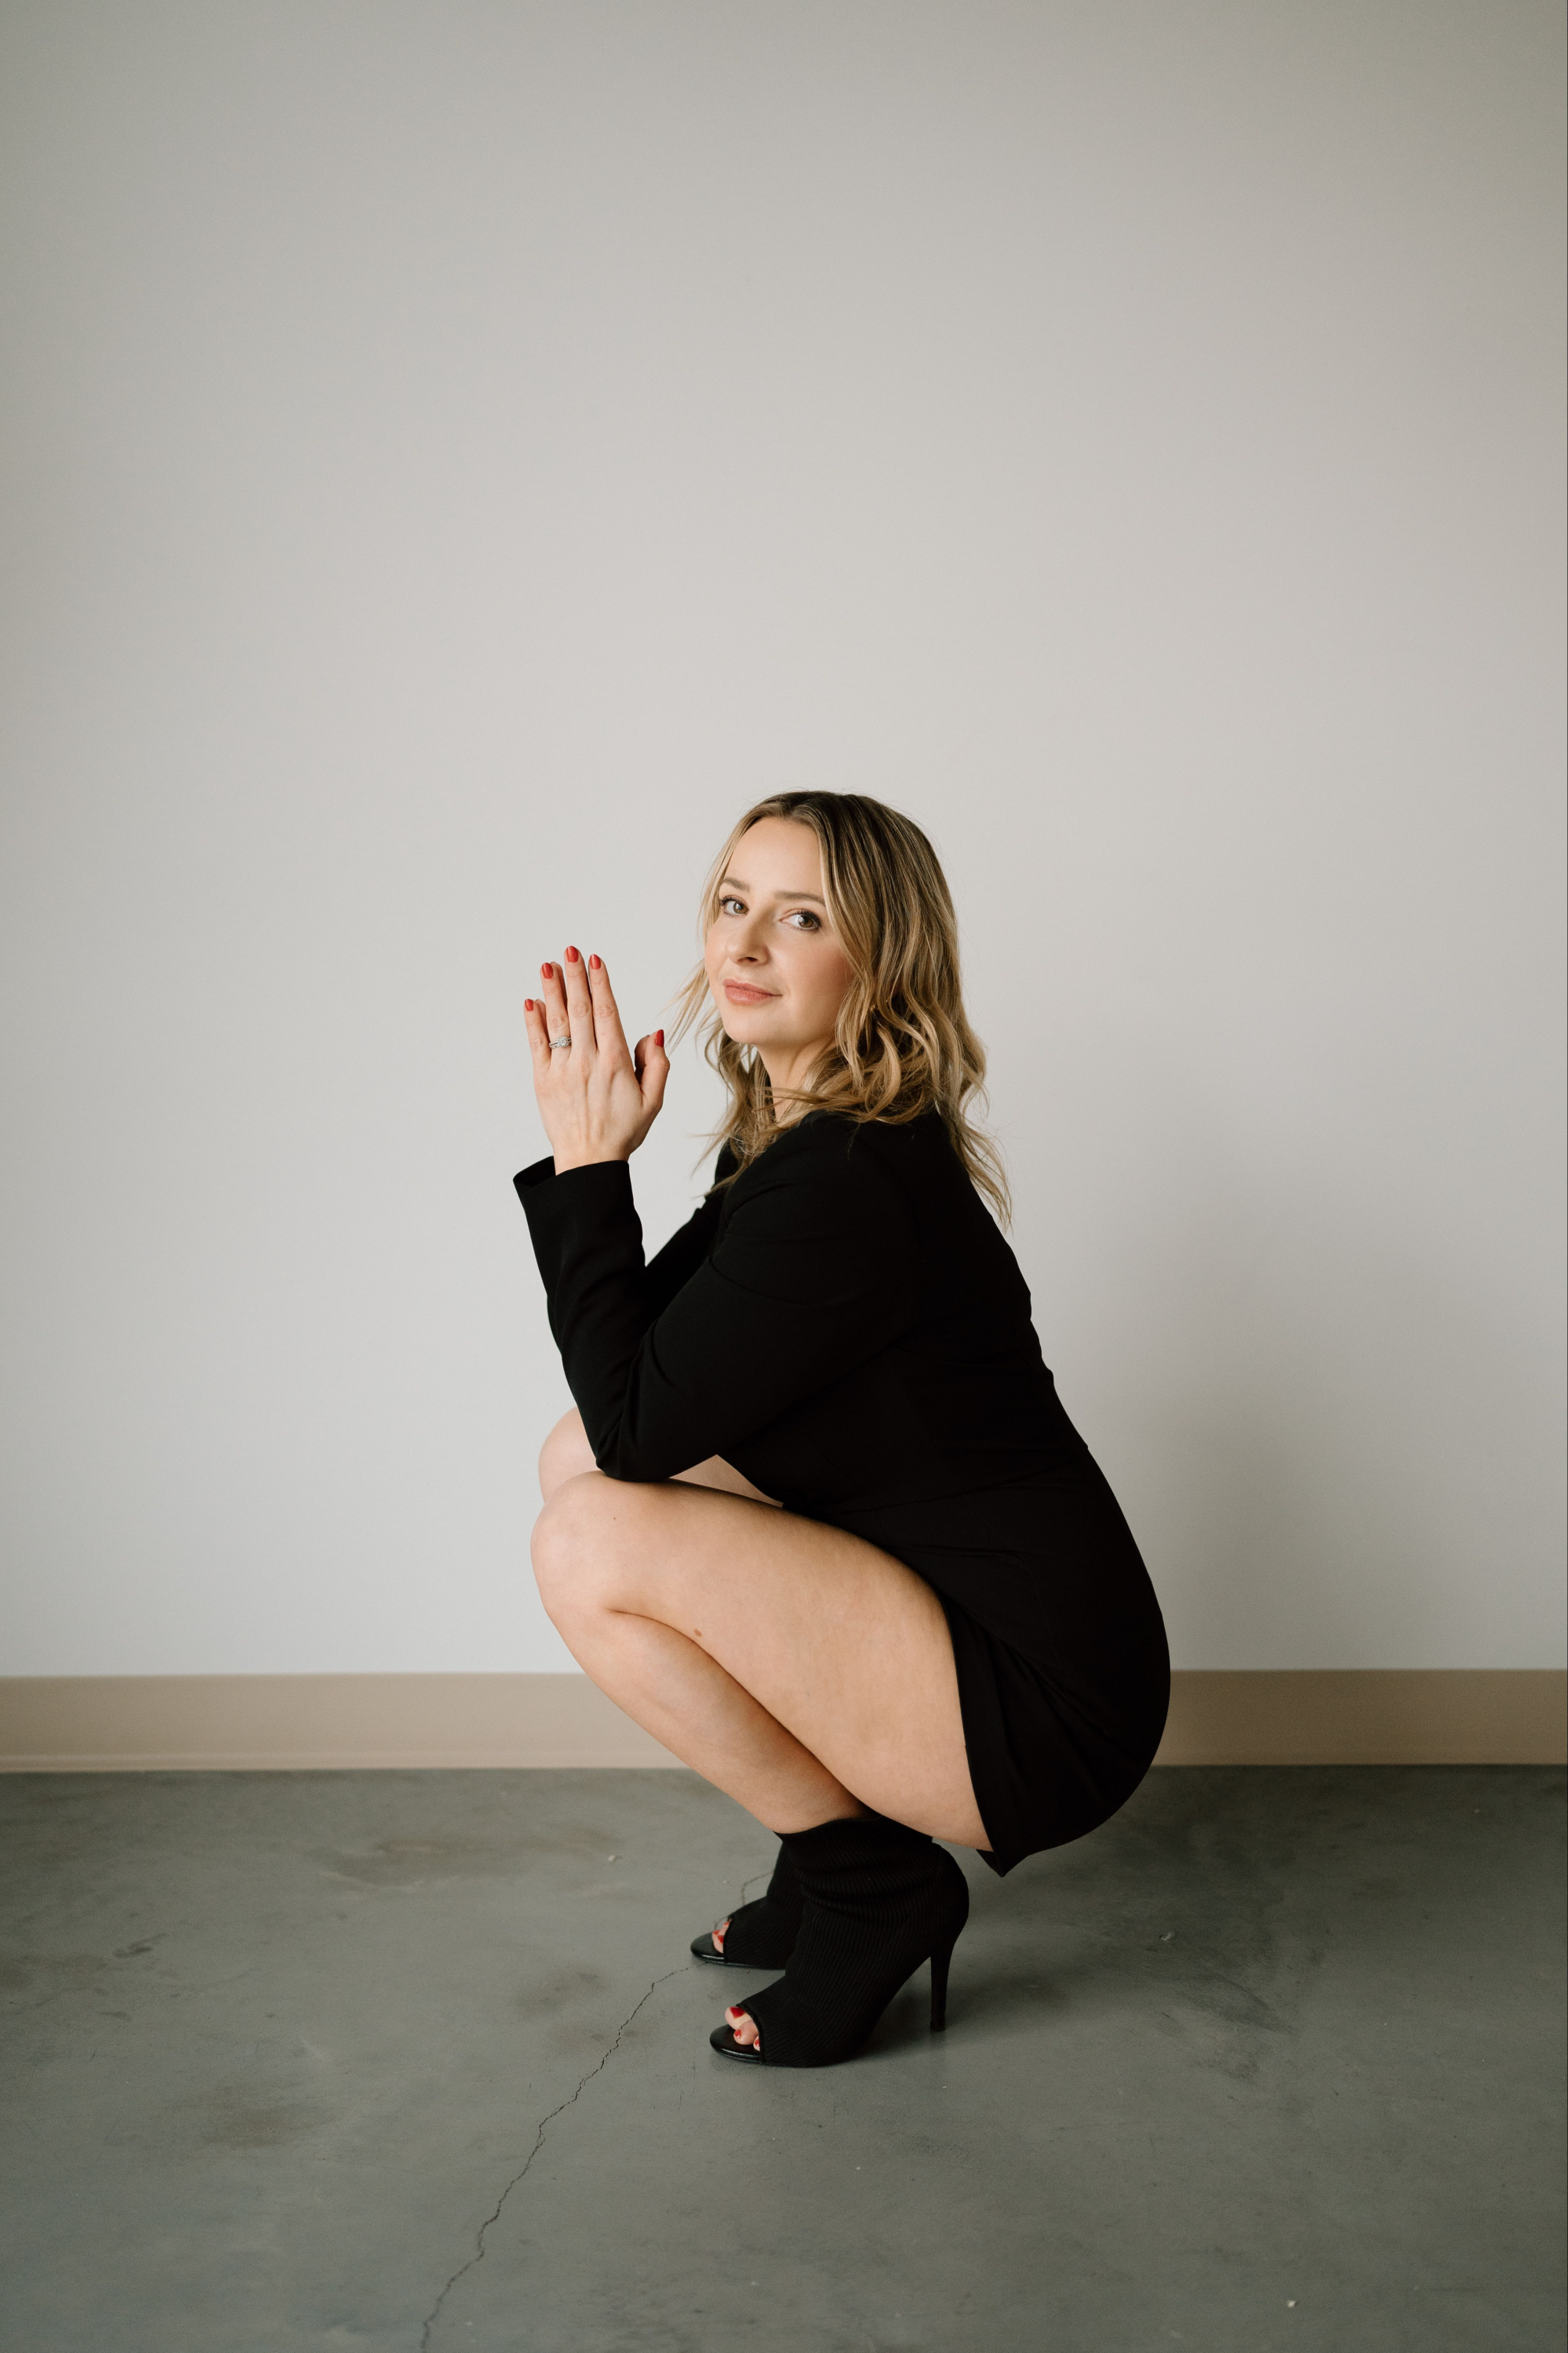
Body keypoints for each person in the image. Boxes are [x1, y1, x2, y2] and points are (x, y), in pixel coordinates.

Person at [515, 791, 1169, 2069]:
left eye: (802, 917)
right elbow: (637, 1392)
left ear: (881, 960)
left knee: (587, 1537)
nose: (746, 942)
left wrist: (589, 1168)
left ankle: (871, 1886)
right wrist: (602, 1158)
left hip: (1034, 1701)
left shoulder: (848, 1182)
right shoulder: (806, 1143)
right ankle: (827, 1865)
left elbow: (641, 1425)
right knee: (573, 1462)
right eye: (733, 902)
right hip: (955, 1613)